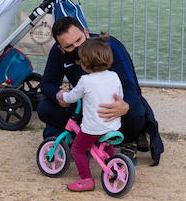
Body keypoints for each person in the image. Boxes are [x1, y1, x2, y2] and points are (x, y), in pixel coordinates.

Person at [36, 17, 164, 166]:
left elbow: (131, 86)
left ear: (86, 32)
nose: (77, 47)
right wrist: (59, 94)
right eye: (69, 46)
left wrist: (125, 105)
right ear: (61, 48)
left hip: (111, 108)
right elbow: (47, 84)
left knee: (136, 111)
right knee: (45, 108)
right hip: (84, 106)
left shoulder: (110, 46)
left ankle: (128, 140)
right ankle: (82, 138)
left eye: (79, 40)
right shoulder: (57, 53)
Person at [55, 37, 123, 191]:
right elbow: (120, 97)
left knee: (77, 149)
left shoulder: (85, 80)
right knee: (106, 144)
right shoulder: (114, 76)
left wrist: (61, 96)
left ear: (85, 64)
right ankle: (115, 165)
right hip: (113, 125)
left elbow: (72, 97)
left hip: (94, 128)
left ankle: (86, 179)